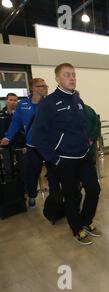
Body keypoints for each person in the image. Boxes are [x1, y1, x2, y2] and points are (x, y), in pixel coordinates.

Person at [32, 63, 101, 245]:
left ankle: (86, 221)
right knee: (73, 196)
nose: (72, 78)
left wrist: (87, 142)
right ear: (57, 79)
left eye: (74, 75)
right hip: (64, 160)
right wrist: (55, 159)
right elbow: (38, 137)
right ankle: (76, 227)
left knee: (94, 189)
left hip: (84, 156)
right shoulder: (48, 103)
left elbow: (82, 127)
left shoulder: (77, 101)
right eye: (67, 75)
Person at [0, 79, 59, 208]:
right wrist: (8, 137)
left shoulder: (50, 103)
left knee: (53, 173)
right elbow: (16, 122)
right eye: (41, 86)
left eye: (46, 85)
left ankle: (55, 198)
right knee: (32, 174)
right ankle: (32, 196)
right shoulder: (22, 104)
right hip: (33, 147)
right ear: (33, 88)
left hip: (49, 146)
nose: (45, 88)